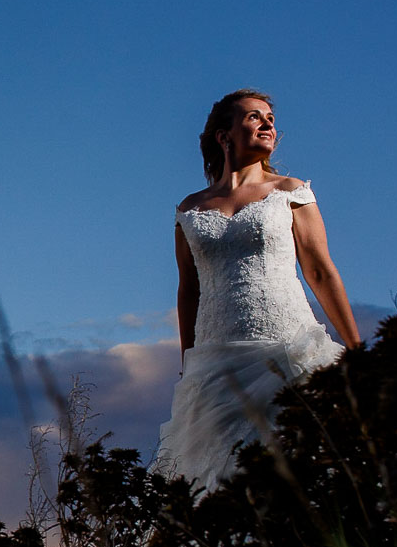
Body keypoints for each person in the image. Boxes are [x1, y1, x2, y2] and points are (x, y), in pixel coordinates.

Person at [153, 89, 362, 492]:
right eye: (253, 117)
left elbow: (319, 271)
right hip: (218, 357)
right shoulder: (190, 209)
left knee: (304, 460)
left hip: (287, 345)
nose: (268, 124)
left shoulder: (289, 191)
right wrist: (189, 363)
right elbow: (189, 290)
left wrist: (356, 349)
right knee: (221, 475)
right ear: (223, 135)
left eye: (270, 118)